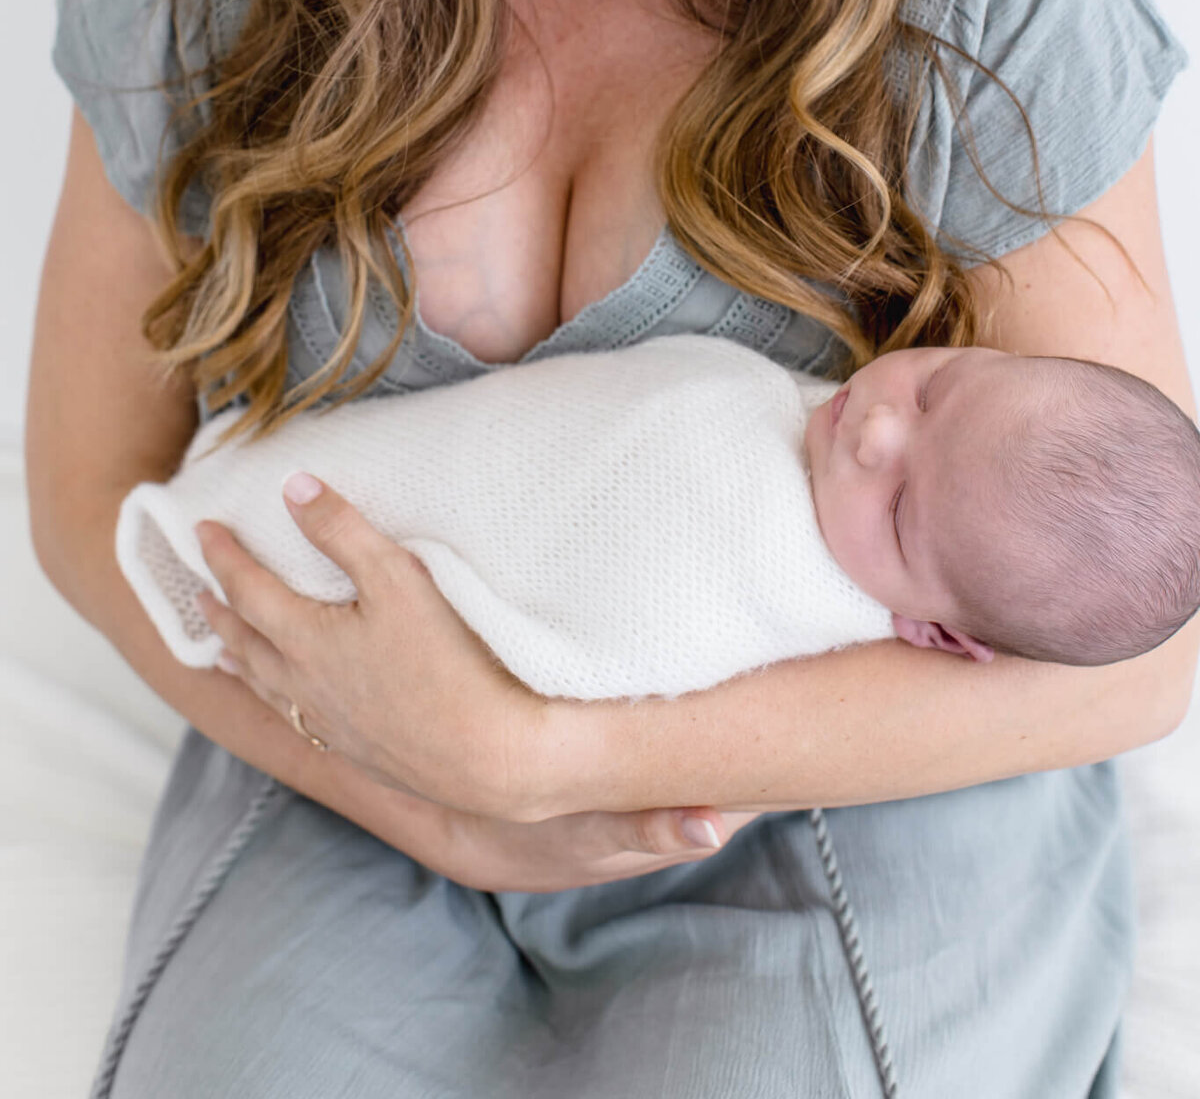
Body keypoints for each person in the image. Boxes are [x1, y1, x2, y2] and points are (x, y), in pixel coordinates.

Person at [25, 0, 1195, 1095]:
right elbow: (95, 492)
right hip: (345, 752)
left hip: (842, 781)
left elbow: (1140, 649)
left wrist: (536, 761)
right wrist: (419, 778)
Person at [118, 335, 1200, 695]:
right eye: (936, 390)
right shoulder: (809, 427)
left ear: (938, 632)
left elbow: (606, 646)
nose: (873, 432)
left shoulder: (766, 581)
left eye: (905, 508)